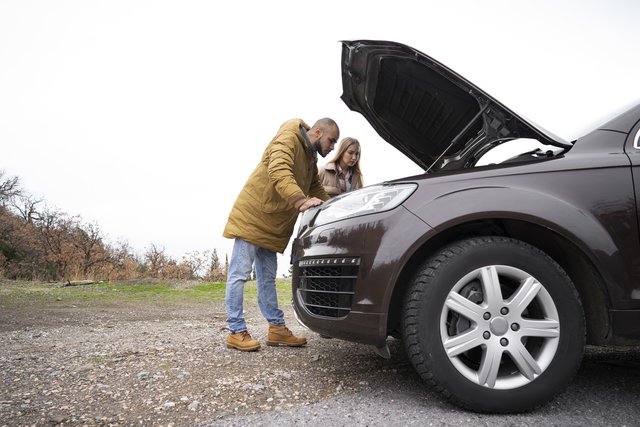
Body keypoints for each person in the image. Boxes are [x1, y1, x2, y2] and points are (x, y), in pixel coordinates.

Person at [222, 117, 339, 351]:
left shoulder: (309, 155)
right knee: (239, 274)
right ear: (317, 131)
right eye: (331, 140)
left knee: (267, 278)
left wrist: (335, 210)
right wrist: (300, 200)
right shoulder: (288, 138)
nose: (333, 147)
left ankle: (276, 329)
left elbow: (314, 186)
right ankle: (236, 331)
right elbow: (279, 170)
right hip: (253, 216)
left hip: (273, 224)